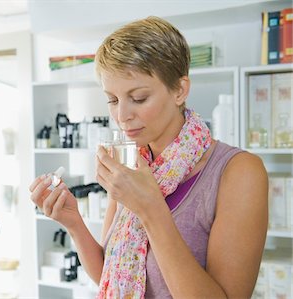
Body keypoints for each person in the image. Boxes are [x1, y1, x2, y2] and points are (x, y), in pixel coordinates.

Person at [29, 16, 268, 298]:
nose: (122, 116)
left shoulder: (239, 172)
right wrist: (73, 222)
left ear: (180, 90)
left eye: (139, 98)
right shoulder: (130, 166)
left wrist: (150, 208)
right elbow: (111, 274)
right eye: (113, 100)